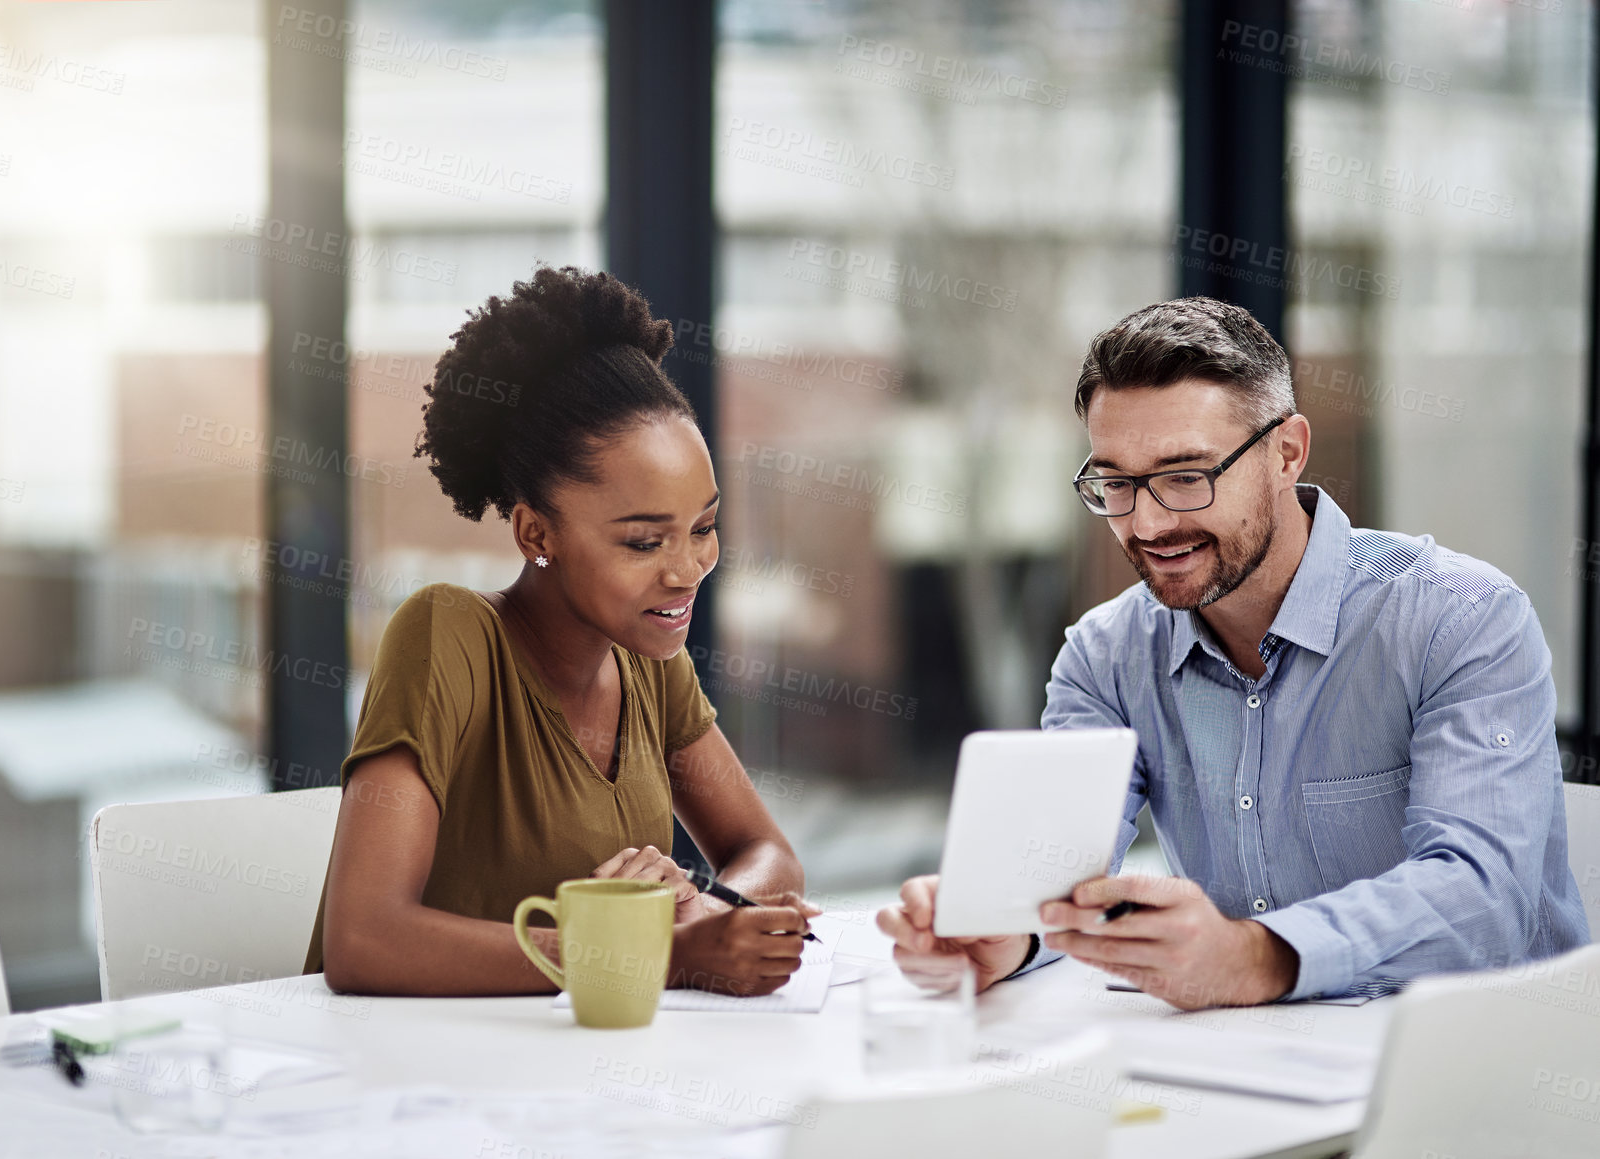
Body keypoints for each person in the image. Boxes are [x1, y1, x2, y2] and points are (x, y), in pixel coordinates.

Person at [880, 296, 1589, 1009]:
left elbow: (1484, 899)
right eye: (1117, 483)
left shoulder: (1460, 618)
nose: (1149, 522)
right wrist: (1010, 931)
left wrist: (1257, 956)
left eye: (1187, 476)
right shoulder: (1105, 656)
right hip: (1255, 1062)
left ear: (1287, 452)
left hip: (1481, 1071)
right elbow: (1057, 868)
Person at [303, 266, 814, 996]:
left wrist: (706, 912)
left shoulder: (647, 658)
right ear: (535, 531)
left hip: (574, 1076)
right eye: (644, 542)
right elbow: (364, 938)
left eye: (703, 526)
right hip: (403, 1080)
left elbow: (766, 851)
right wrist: (650, 949)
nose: (688, 569)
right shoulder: (446, 636)